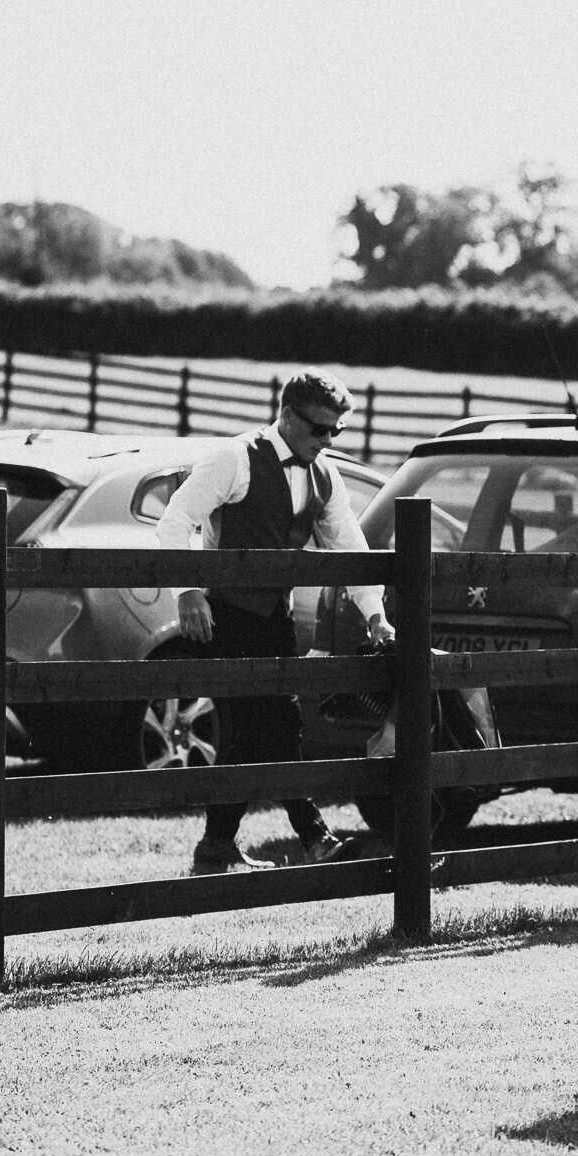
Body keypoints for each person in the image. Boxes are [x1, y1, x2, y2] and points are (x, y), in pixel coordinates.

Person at [157, 368, 394, 875]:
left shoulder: (325, 476)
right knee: (272, 725)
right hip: (228, 617)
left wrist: (375, 614)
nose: (327, 440)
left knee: (256, 732)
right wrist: (188, 592)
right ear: (287, 415)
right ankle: (314, 837)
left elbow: (349, 545)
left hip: (277, 621)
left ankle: (217, 846)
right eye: (319, 429)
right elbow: (175, 521)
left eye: (336, 431)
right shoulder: (233, 458)